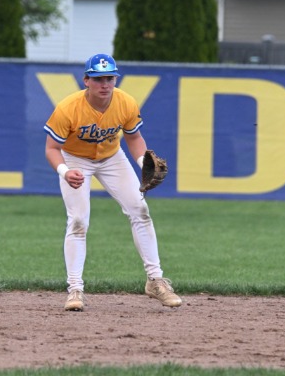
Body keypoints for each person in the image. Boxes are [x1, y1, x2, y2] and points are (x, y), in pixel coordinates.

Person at [44, 53, 182, 311]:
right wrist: (64, 171)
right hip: (75, 159)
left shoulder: (125, 102)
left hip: (111, 157)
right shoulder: (67, 108)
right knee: (78, 221)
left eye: (109, 78)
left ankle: (155, 281)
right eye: (98, 79)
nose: (104, 84)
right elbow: (52, 148)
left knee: (140, 210)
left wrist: (142, 163)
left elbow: (134, 138)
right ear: (86, 80)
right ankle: (75, 290)